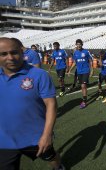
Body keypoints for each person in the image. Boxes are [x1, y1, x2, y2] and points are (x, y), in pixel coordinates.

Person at [0, 37, 64, 170]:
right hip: (5, 139)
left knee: (51, 157)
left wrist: (47, 135)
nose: (10, 57)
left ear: (22, 52)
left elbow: (51, 105)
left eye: (14, 52)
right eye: (4, 54)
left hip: (36, 136)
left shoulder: (39, 75)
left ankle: (59, 167)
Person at [68, 39, 93, 109]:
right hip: (79, 72)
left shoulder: (86, 52)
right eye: (77, 44)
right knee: (82, 86)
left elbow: (90, 60)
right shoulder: (75, 53)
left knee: (83, 86)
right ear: (76, 45)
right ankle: (84, 98)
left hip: (85, 71)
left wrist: (92, 70)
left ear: (82, 44)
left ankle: (84, 101)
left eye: (80, 44)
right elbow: (75, 62)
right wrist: (70, 70)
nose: (78, 45)